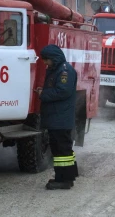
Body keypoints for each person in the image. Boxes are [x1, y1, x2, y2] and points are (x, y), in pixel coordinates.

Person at [35, 44, 78, 190]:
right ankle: (66, 177)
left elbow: (62, 91)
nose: (45, 63)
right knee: (61, 149)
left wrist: (43, 94)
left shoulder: (65, 71)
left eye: (47, 60)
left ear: (54, 58)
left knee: (62, 150)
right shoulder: (57, 69)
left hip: (61, 118)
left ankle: (64, 180)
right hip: (58, 117)